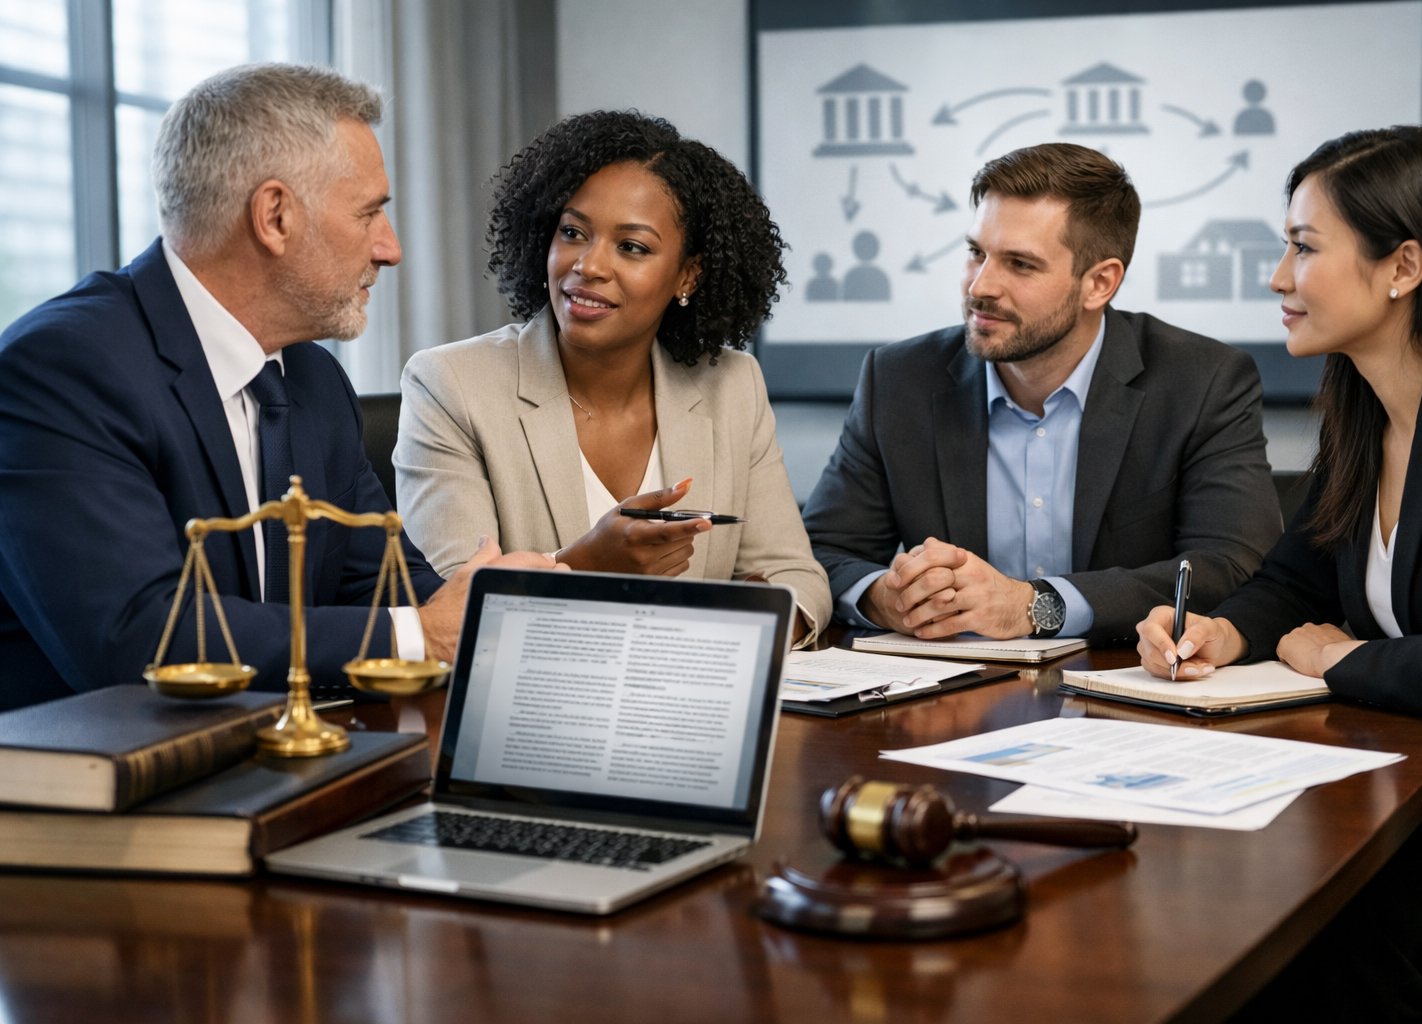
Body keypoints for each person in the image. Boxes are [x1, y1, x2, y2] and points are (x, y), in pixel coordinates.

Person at [0, 63, 554, 712]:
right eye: (370, 213)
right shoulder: (61, 368)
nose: (390, 249)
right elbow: (139, 639)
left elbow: (379, 589)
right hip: (98, 797)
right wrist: (421, 634)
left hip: (275, 773)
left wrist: (492, 606)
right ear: (275, 216)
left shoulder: (314, 377)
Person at [1135, 126, 1422, 1020]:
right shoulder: (1362, 404)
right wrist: (1220, 631)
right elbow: (1295, 582)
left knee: (1317, 941)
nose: (1278, 277)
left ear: (1404, 267)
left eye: (1303, 248)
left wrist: (1334, 660)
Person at [801, 142, 1280, 645]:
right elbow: (821, 551)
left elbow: (1230, 564)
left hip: (1124, 690)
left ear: (1099, 283)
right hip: (951, 698)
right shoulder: (899, 379)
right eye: (976, 253)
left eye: (1020, 264)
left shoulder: (1201, 381)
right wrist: (887, 596)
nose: (980, 286)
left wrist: (1034, 606)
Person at [394, 110, 830, 645]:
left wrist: (746, 634)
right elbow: (449, 609)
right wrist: (583, 565)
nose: (589, 265)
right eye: (573, 232)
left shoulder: (732, 385)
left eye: (632, 247)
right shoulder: (451, 384)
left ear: (687, 274)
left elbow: (797, 580)